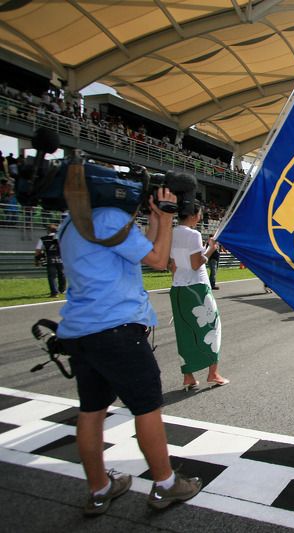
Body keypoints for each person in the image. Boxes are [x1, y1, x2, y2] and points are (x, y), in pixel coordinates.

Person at [57, 188, 202, 515]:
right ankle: (165, 484)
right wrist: (165, 217)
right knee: (147, 408)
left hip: (81, 330)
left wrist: (154, 221)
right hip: (118, 328)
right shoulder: (109, 217)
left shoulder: (70, 222)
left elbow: (141, 252)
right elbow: (157, 260)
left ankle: (98, 488)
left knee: (91, 411)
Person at [169, 203, 229, 391]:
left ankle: (188, 376)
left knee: (184, 332)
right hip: (197, 287)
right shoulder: (193, 234)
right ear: (195, 215)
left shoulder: (171, 233)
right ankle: (213, 372)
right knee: (213, 327)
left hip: (178, 288)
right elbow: (196, 263)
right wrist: (210, 250)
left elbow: (173, 265)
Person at [34, 223, 66, 296]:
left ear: (48, 231)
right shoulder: (61, 238)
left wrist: (37, 260)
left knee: (52, 276)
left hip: (50, 258)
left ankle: (54, 293)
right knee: (62, 274)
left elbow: (38, 250)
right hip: (60, 257)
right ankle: (62, 290)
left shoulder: (43, 238)